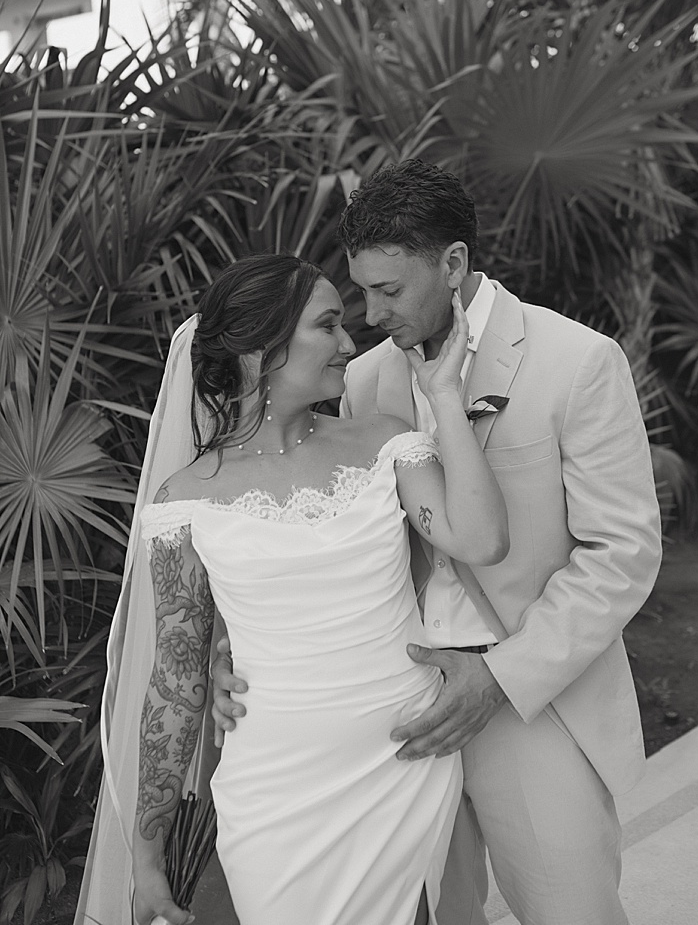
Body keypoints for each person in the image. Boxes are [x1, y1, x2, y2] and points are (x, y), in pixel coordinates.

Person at [213, 160, 662, 925]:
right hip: (398, 708)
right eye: (360, 290)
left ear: (452, 263)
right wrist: (241, 651)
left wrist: (503, 676)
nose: (371, 311)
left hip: (531, 701)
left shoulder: (576, 361)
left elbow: (623, 553)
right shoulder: (364, 379)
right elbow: (309, 527)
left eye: (389, 290)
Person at [81, 251, 509, 925]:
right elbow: (176, 681)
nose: (348, 342)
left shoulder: (386, 444)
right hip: (273, 795)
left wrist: (445, 396)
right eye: (327, 325)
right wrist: (146, 854)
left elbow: (481, 540)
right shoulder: (183, 502)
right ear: (259, 349)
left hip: (403, 769)